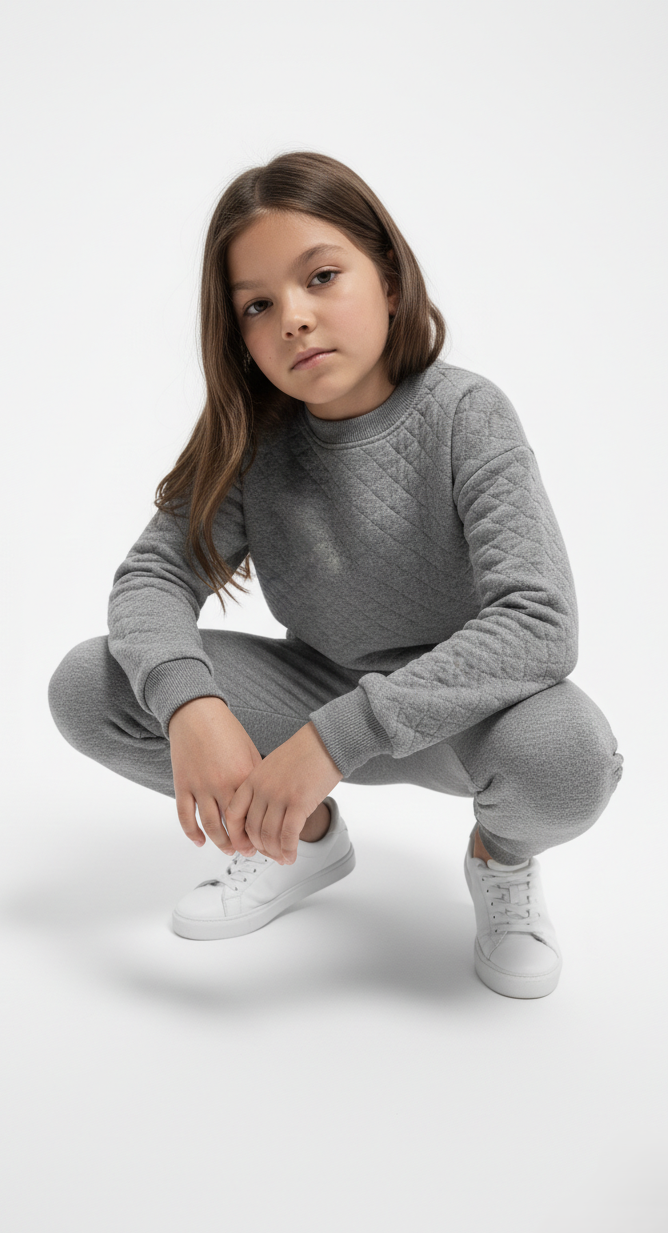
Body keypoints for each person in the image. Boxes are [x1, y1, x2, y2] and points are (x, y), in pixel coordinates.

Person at [48, 149, 623, 1000]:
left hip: (462, 717)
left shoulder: (466, 414)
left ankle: (500, 860)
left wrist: (334, 740)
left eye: (321, 277)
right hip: (311, 695)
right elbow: (153, 578)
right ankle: (300, 835)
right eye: (257, 304)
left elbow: (539, 623)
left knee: (568, 756)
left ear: (388, 278)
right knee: (88, 685)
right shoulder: (254, 442)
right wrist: (192, 704)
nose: (294, 318)